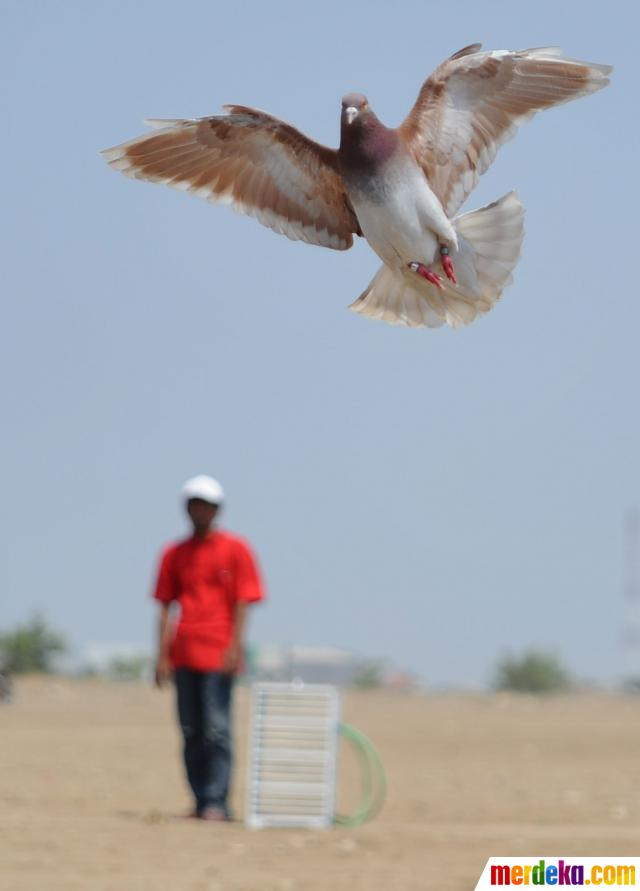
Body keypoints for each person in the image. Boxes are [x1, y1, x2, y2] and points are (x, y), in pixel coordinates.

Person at [152, 475, 265, 821]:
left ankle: (217, 801)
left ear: (217, 510)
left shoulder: (236, 548)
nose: (200, 511)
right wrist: (162, 655)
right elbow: (165, 604)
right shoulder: (174, 553)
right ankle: (199, 799)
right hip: (184, 651)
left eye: (206, 505)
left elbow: (244, 600)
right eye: (194, 504)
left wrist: (235, 646)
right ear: (186, 509)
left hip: (218, 652)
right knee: (191, 730)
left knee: (217, 728)